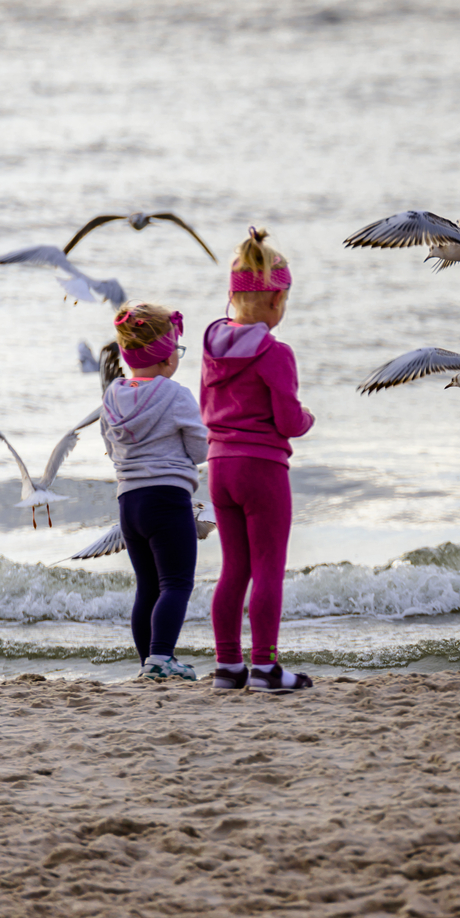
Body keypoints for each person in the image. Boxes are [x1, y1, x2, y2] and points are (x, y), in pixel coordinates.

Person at [202, 228, 315, 693]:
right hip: (262, 468)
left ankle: (228, 666)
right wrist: (307, 418)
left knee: (234, 569)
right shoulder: (275, 353)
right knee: (268, 568)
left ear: (232, 295)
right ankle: (265, 667)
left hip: (219, 467)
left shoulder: (210, 346)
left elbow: (206, 407)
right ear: (275, 301)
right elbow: (288, 420)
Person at [103, 303, 209, 681]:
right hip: (167, 498)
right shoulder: (176, 396)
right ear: (167, 358)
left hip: (128, 502)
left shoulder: (113, 395)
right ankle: (161, 657)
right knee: (177, 582)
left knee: (147, 585)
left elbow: (110, 445)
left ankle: (147, 661)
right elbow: (200, 450)